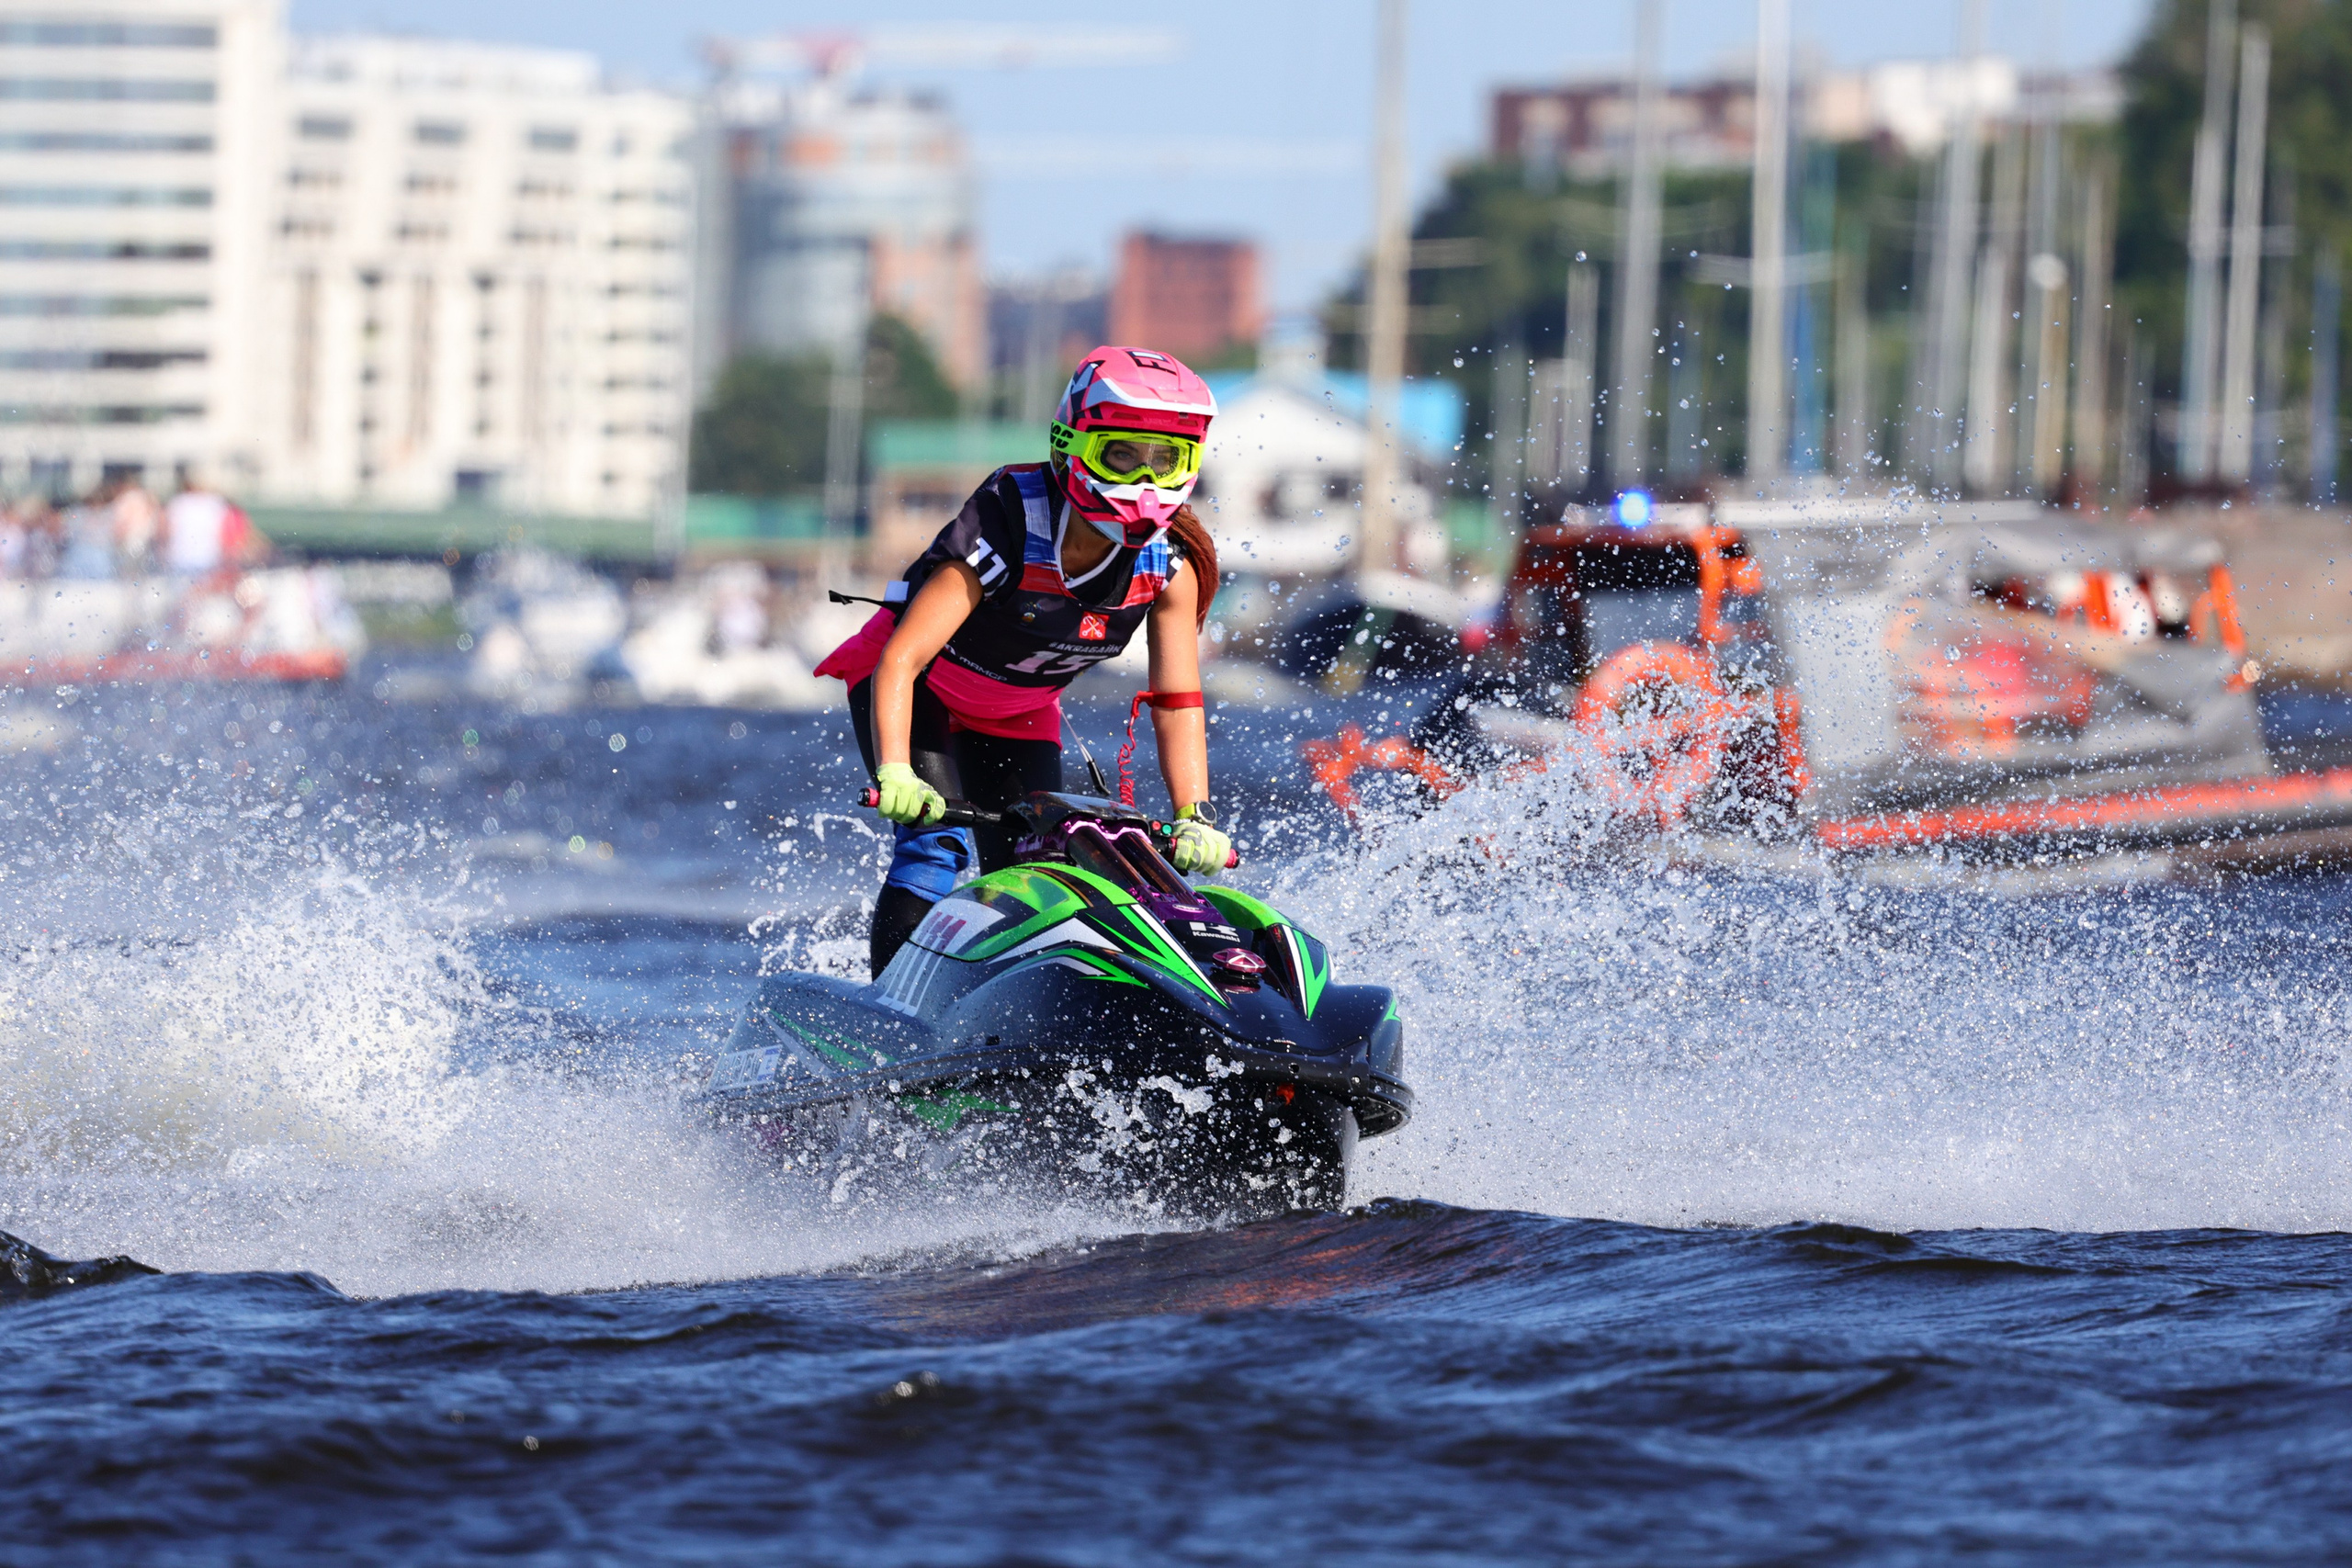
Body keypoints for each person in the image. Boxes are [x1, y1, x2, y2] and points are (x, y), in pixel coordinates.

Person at [815, 345, 1234, 976]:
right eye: (1120, 454)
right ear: (1071, 443)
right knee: (936, 847)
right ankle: (889, 1031)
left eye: (1165, 460)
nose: (1143, 482)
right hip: (915, 690)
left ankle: (991, 1019)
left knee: (1035, 872)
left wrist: (1192, 815)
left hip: (1016, 714)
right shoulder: (1011, 518)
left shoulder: (1171, 566)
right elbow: (903, 657)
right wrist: (899, 773)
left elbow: (1176, 700)